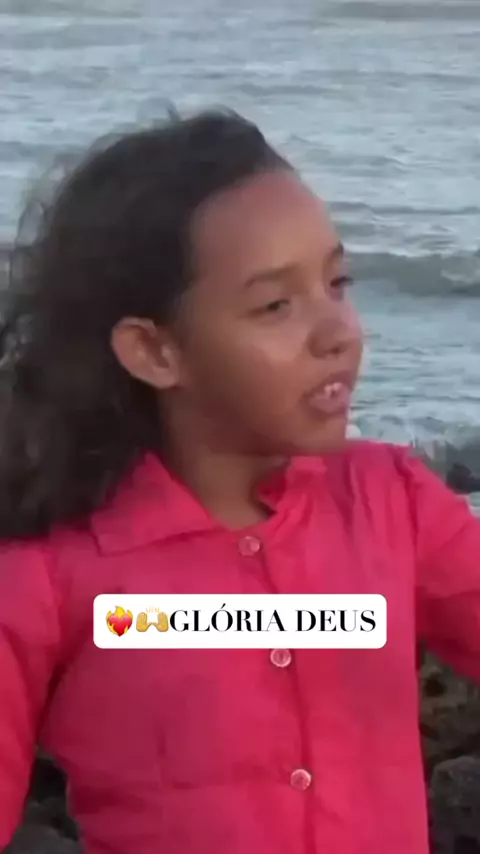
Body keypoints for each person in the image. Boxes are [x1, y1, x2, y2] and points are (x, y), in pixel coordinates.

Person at [0, 108, 478, 854]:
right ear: (155, 352)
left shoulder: (394, 503)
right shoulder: (51, 572)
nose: (339, 332)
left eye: (337, 282)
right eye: (275, 306)